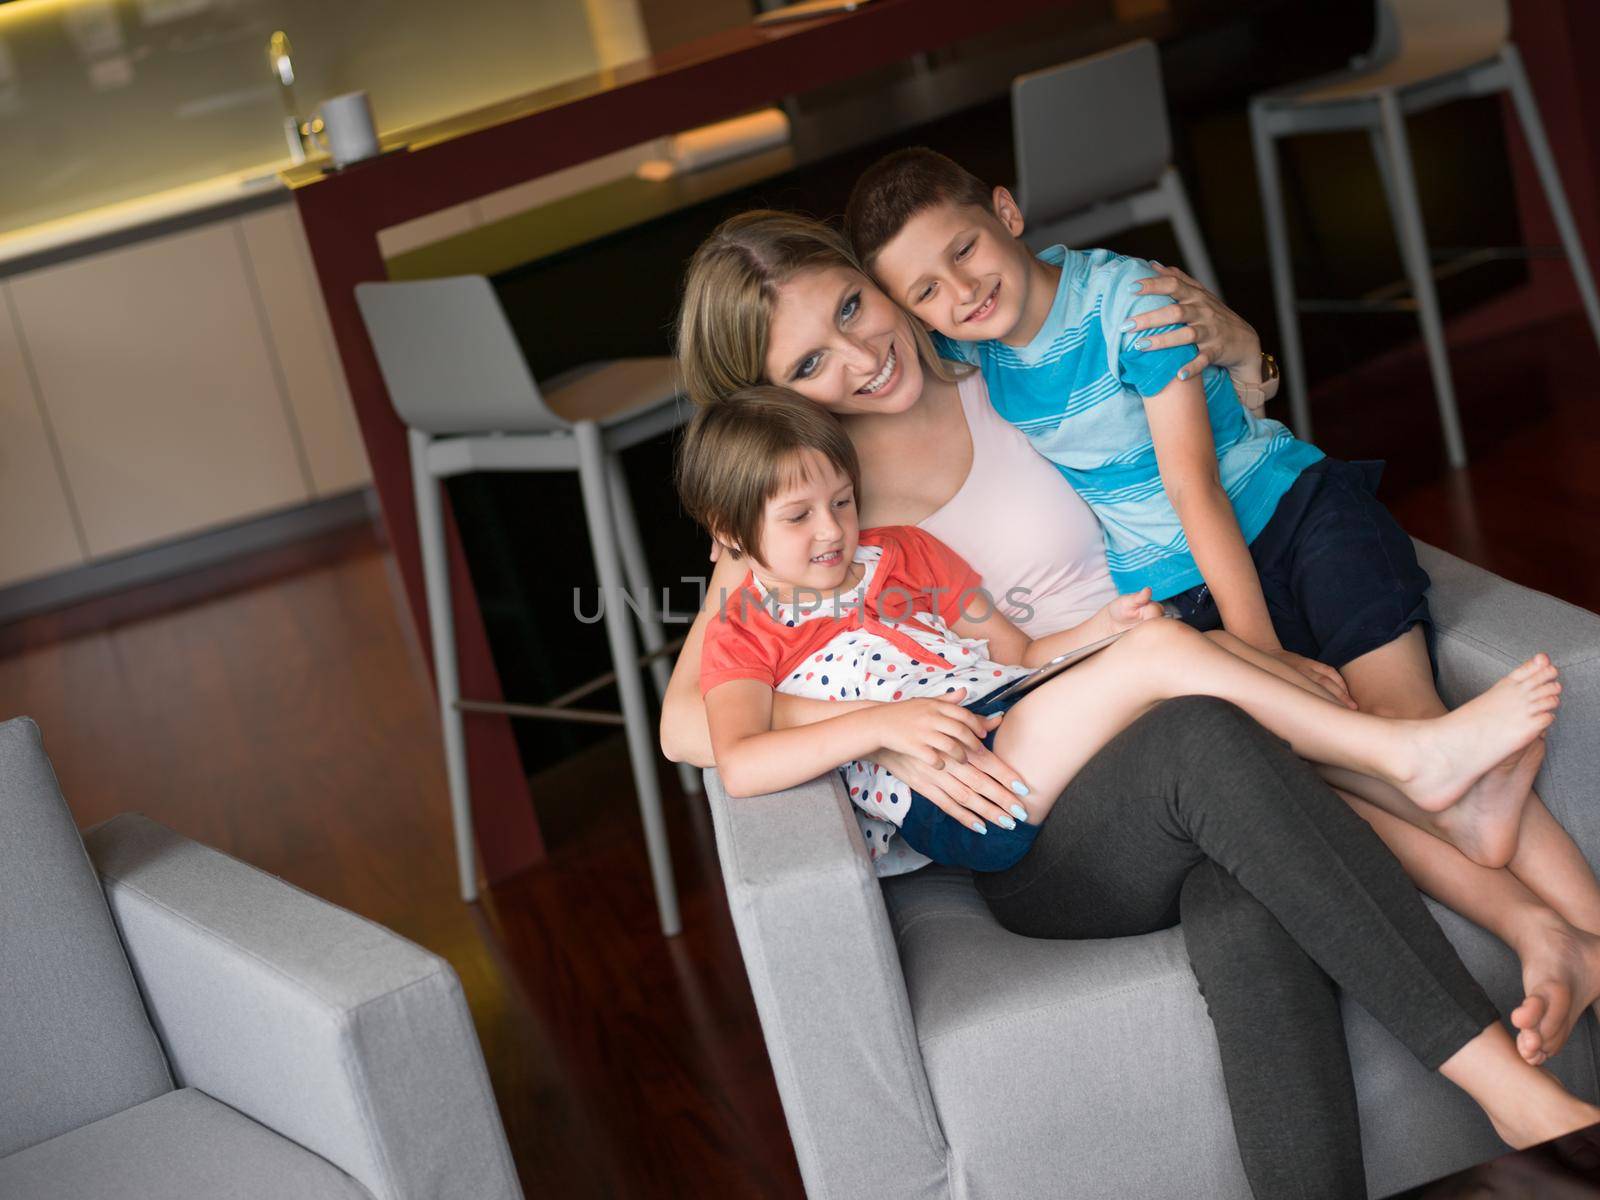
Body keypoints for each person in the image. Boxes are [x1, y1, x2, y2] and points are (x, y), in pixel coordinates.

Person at [661, 210, 1600, 1195]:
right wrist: (879, 731)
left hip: (1146, 682)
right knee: (1203, 732)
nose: (860, 354)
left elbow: (1199, 448)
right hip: (1049, 814)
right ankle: (1509, 1081)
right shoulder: (807, 506)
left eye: (852, 306)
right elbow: (694, 727)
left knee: (1247, 902)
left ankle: (1524, 970)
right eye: (811, 364)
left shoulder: (1005, 358)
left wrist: (1242, 352)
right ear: (771, 399)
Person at [847, 147, 1600, 1065]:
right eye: (924, 291)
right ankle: (1529, 902)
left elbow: (1199, 493)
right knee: (1316, 763)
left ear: (1006, 210)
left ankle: (1586, 926)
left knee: (1399, 716)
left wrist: (1262, 656)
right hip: (1182, 589)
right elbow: (842, 388)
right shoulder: (967, 347)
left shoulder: (1131, 305)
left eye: (963, 251)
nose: (957, 292)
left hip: (1290, 516)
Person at [679, 384, 1563, 879]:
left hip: (1008, 714)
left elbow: (1020, 659)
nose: (832, 530)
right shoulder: (746, 627)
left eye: (840, 500)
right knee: (1171, 659)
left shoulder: (902, 550)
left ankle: (1446, 806)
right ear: (729, 535)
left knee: (1193, 652)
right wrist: (878, 727)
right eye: (798, 517)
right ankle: (1411, 758)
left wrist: (1097, 629)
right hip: (970, 798)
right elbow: (743, 760)